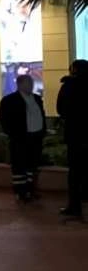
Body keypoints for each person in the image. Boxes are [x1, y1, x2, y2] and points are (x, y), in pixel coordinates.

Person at [0, 75, 47, 202]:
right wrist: (13, 134)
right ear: (19, 85)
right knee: (19, 166)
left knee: (32, 164)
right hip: (20, 138)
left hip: (35, 137)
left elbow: (41, 115)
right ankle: (21, 192)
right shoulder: (9, 100)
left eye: (31, 83)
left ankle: (30, 190)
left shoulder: (37, 98)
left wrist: (42, 131)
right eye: (27, 83)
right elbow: (4, 119)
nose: (31, 85)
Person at [56, 59, 88, 218]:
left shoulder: (68, 86)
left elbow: (60, 109)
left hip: (75, 135)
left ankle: (75, 207)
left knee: (75, 172)